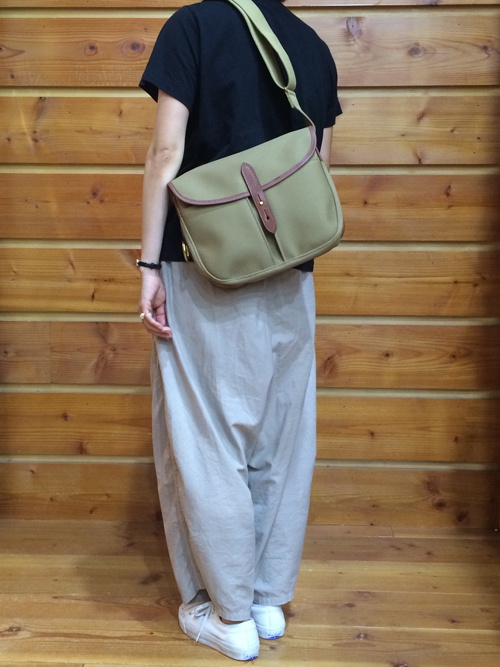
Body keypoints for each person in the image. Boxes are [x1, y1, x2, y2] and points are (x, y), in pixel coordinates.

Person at [137, 0, 342, 660]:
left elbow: (166, 151)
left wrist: (148, 265)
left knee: (207, 439)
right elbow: (317, 167)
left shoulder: (192, 27)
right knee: (282, 437)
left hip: (206, 265)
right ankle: (265, 599)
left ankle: (228, 615)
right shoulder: (310, 45)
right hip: (291, 269)